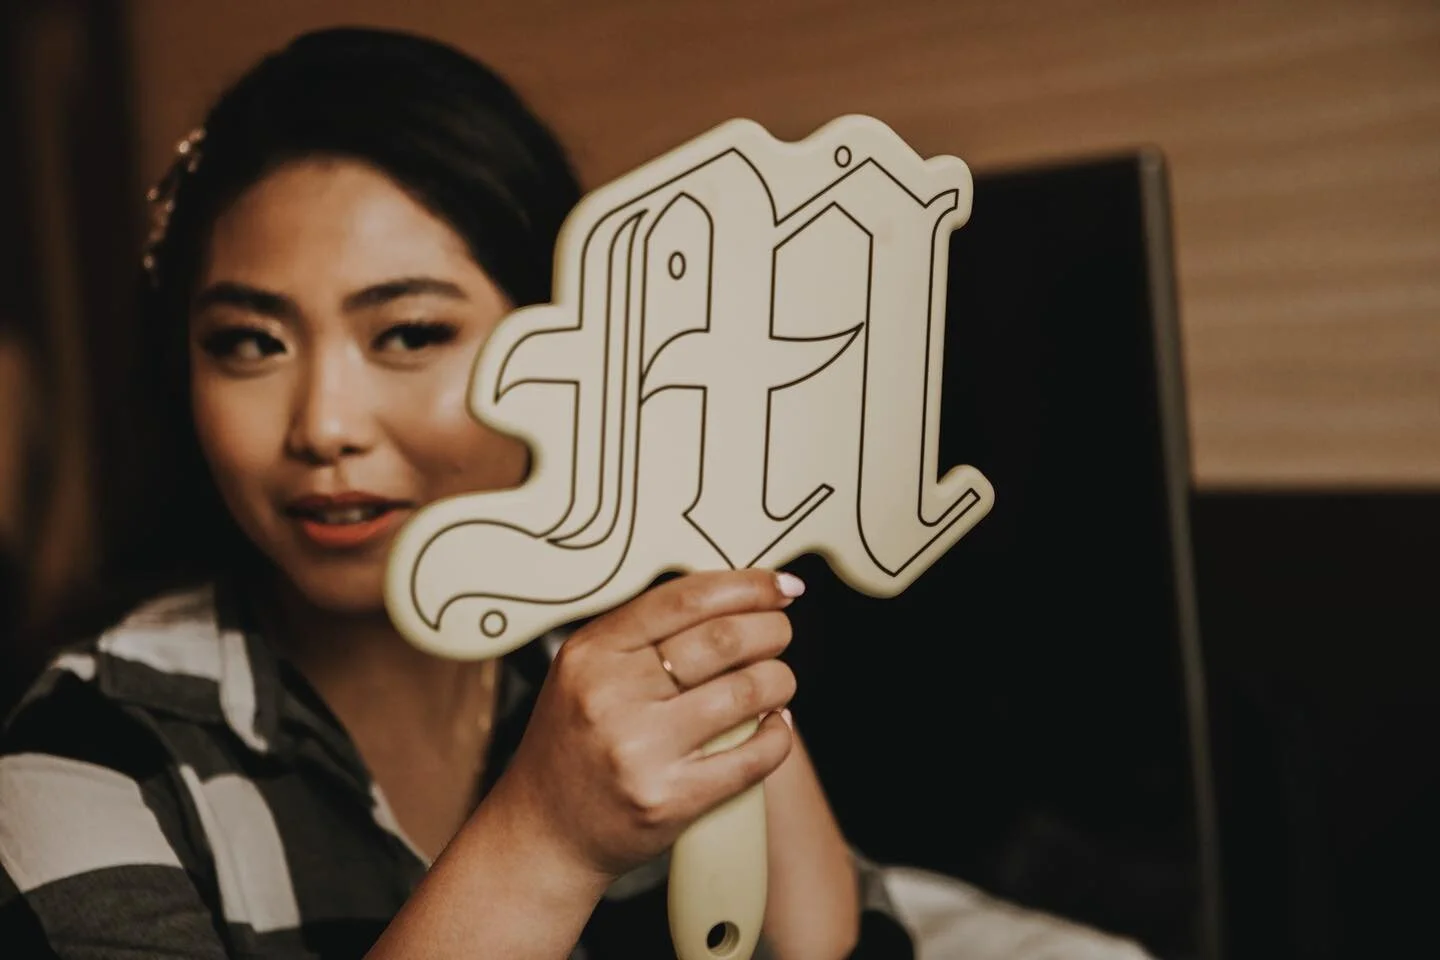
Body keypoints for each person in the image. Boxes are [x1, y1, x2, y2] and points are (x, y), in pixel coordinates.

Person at [0, 27, 879, 960]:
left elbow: (844, 942)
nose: (325, 424)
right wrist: (544, 836)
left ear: (567, 351)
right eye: (250, 342)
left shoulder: (622, 675)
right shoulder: (84, 754)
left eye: (410, 333)